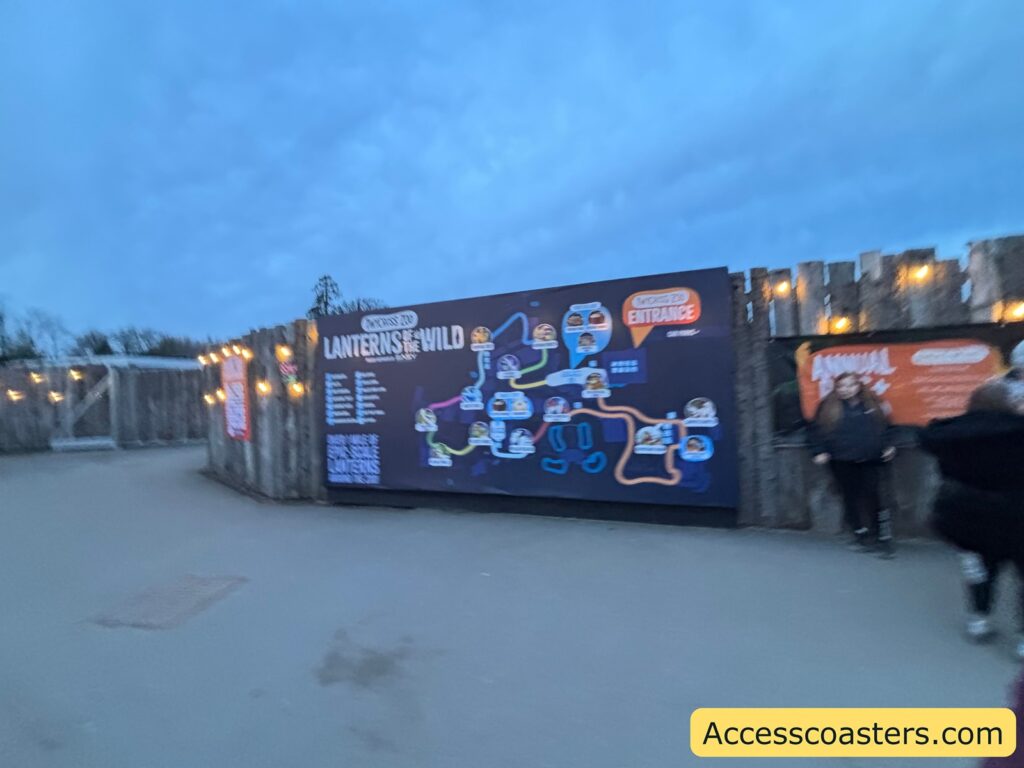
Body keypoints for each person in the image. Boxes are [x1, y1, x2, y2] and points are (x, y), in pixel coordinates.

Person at [919, 378, 1024, 656]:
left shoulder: (951, 435)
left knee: (981, 572)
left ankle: (979, 619)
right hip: (1017, 516)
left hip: (968, 519)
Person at [808, 372, 897, 556]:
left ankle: (882, 537)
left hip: (871, 457)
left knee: (875, 496)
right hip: (842, 458)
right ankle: (859, 533)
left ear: (858, 386)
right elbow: (815, 431)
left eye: (850, 385)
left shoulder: (874, 404)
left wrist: (889, 445)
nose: (845, 390)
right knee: (850, 496)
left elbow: (887, 426)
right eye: (841, 386)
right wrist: (818, 451)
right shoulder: (827, 406)